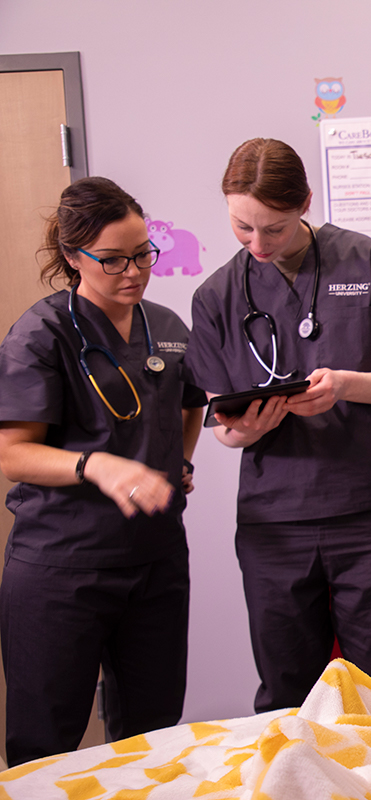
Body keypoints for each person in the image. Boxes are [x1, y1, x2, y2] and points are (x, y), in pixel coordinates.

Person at [185, 138, 371, 710]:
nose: (258, 243)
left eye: (274, 228)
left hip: (369, 511)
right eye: (242, 227)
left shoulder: (368, 262)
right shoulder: (215, 297)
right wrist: (251, 426)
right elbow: (223, 427)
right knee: (287, 690)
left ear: (305, 202)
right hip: (274, 522)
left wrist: (348, 385)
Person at [0, 177, 206, 766]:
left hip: (156, 560)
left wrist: (180, 458)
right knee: (46, 745)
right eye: (112, 260)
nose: (133, 272)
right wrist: (97, 465)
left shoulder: (165, 326)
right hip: (62, 567)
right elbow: (14, 453)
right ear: (72, 257)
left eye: (143, 254)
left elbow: (192, 401)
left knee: (153, 737)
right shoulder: (41, 335)